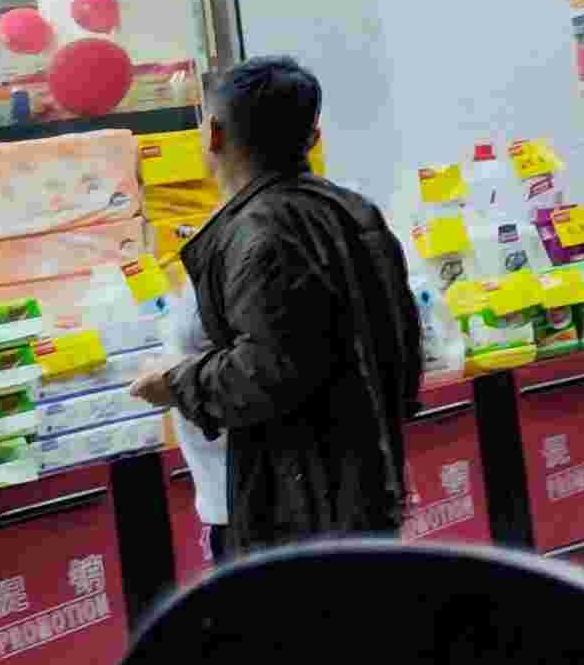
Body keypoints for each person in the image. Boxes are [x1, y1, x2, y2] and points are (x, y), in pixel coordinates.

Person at [132, 56, 422, 556]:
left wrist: (175, 382)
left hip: (288, 515)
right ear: (313, 137)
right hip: (363, 490)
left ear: (214, 135)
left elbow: (268, 368)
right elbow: (405, 347)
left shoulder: (259, 232)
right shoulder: (354, 211)